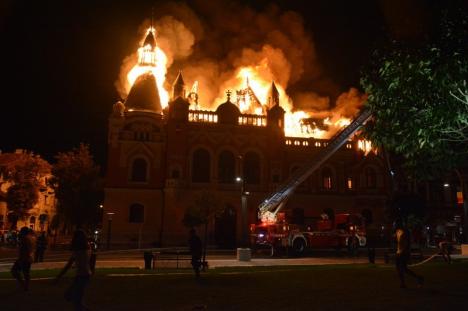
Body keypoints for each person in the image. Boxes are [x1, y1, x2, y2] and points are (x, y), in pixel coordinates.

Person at [54, 230, 92, 311]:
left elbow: (69, 265)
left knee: (75, 300)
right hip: (83, 275)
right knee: (71, 296)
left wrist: (59, 276)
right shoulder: (87, 247)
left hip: (82, 276)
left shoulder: (79, 250)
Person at [394, 221, 424, 288]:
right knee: (400, 268)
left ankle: (418, 278)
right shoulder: (397, 232)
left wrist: (405, 252)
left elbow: (407, 243)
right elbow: (399, 242)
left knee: (403, 268)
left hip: (403, 253)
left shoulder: (405, 232)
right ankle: (404, 283)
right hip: (399, 252)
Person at [11, 227, 36, 291]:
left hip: (24, 259)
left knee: (16, 271)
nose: (20, 233)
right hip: (27, 258)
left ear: (24, 232)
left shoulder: (25, 239)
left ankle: (24, 285)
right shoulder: (30, 238)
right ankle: (25, 285)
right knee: (25, 273)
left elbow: (27, 250)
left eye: (21, 231)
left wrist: (22, 259)